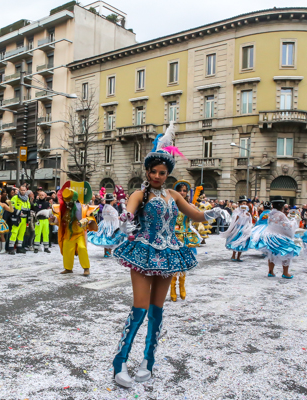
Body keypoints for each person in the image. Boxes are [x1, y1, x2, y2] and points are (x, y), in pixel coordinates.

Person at [111, 123, 222, 387]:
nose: (158, 176)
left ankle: (148, 359)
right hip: (143, 253)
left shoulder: (173, 195)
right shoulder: (140, 193)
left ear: (167, 173)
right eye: (154, 172)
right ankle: (120, 360)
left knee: (157, 311)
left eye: (162, 172)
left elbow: (194, 214)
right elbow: (128, 210)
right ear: (147, 172)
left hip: (170, 253)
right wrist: (125, 218)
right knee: (139, 309)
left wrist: (213, 213)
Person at [50, 184, 98, 275]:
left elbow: (90, 218)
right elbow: (59, 219)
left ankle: (86, 268)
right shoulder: (63, 208)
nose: (67, 203)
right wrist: (53, 219)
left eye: (69, 200)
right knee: (67, 250)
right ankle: (68, 268)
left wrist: (82, 222)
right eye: (66, 201)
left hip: (80, 233)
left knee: (82, 248)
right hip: (68, 233)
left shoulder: (83, 207)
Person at [170, 180, 202, 302]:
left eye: (184, 191)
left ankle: (182, 286)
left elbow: (198, 220)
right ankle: (172, 288)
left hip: (185, 237)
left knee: (183, 265)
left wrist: (195, 211)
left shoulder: (190, 206)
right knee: (173, 265)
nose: (182, 193)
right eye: (179, 190)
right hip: (173, 238)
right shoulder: (170, 205)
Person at [257, 196, 301, 279]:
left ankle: (271, 271)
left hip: (271, 237)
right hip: (280, 237)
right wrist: (294, 221)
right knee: (287, 252)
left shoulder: (270, 214)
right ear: (282, 206)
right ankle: (285, 272)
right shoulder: (281, 215)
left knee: (272, 254)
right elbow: (288, 226)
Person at [87, 192, 126, 257]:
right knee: (109, 239)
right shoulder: (109, 208)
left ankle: (107, 253)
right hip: (110, 225)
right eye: (114, 199)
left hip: (106, 224)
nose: (115, 200)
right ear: (111, 200)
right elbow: (114, 217)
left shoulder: (106, 206)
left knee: (107, 239)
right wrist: (122, 217)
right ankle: (107, 253)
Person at [222, 196, 253, 262]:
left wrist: (248, 215)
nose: (244, 205)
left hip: (243, 229)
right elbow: (234, 219)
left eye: (245, 203)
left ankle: (238, 256)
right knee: (235, 241)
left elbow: (250, 221)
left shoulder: (247, 212)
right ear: (240, 204)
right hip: (237, 229)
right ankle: (233, 255)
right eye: (243, 203)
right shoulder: (236, 211)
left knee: (242, 242)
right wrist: (240, 214)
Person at [8, 185, 31, 254]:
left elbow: (28, 209)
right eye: (21, 190)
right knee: (14, 232)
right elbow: (11, 207)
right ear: (19, 190)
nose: (23, 191)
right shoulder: (15, 197)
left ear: (26, 190)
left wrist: (28, 219)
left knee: (21, 233)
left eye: (24, 190)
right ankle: (11, 248)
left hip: (24, 219)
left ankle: (19, 247)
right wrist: (18, 212)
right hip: (17, 218)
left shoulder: (26, 198)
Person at [32, 189, 52, 253]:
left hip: (46, 220)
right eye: (40, 195)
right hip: (39, 220)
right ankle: (36, 248)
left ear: (45, 196)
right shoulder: (36, 203)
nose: (41, 196)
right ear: (38, 195)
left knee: (46, 233)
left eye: (42, 195)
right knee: (37, 234)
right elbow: (36, 209)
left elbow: (50, 210)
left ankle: (46, 248)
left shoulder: (47, 203)